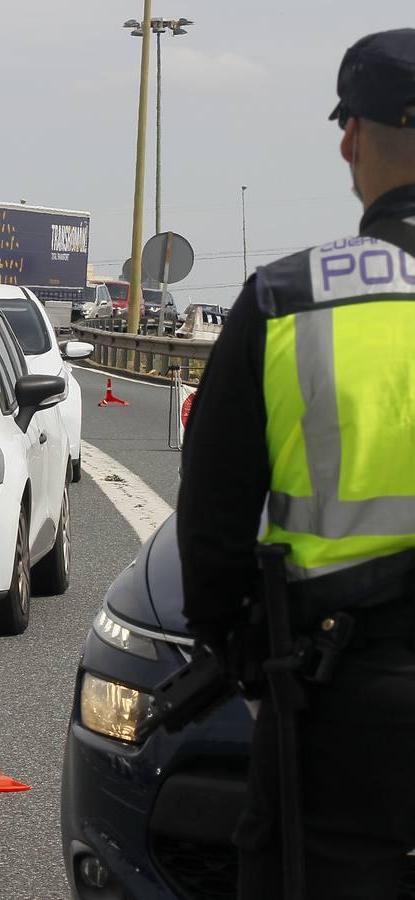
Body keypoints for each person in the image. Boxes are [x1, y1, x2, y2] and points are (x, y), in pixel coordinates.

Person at [176, 29, 415, 898]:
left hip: (338, 696)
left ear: (350, 136)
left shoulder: (289, 300)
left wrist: (249, 662)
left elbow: (208, 537)